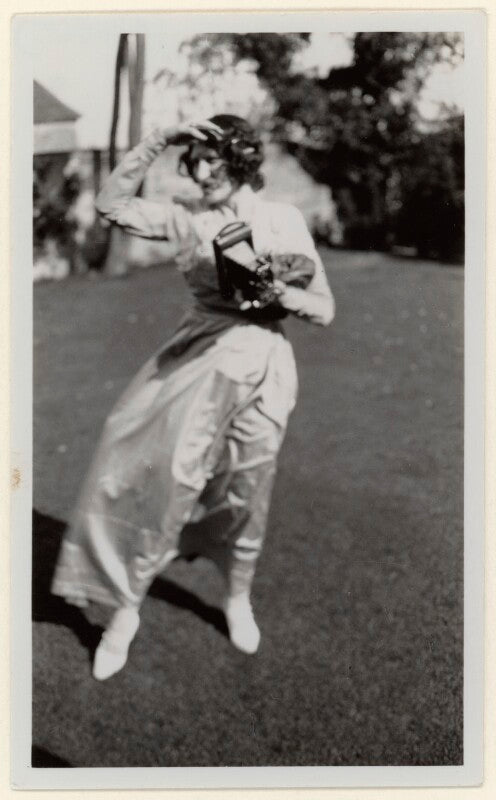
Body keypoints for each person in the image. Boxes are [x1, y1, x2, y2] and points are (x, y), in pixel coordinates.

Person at [51, 114, 335, 680]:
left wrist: (279, 291)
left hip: (264, 368)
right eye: (194, 161)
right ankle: (124, 612)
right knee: (160, 482)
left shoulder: (283, 220)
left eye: (213, 159)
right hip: (198, 361)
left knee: (246, 492)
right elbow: (111, 206)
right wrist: (159, 138)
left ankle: (236, 598)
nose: (202, 171)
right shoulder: (185, 220)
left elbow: (324, 308)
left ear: (243, 160)